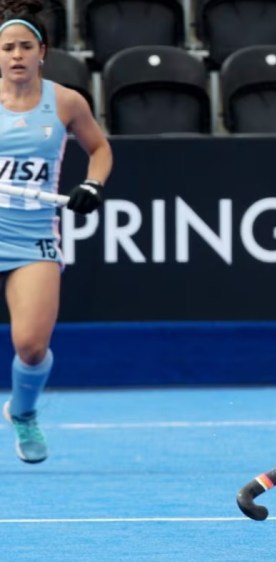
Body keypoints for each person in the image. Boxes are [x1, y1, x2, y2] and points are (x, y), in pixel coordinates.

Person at [0, 1, 109, 464]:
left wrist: (92, 184)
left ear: (41, 51)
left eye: (25, 46)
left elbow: (99, 149)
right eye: (7, 47)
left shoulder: (65, 102)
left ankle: (23, 412)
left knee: (31, 346)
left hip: (32, 237)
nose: (16, 55)